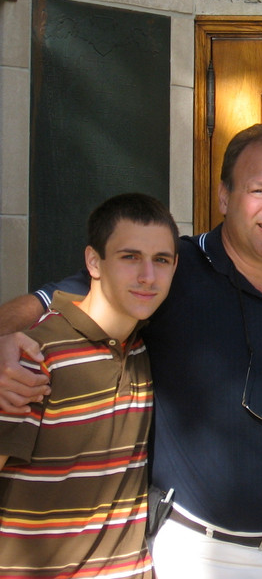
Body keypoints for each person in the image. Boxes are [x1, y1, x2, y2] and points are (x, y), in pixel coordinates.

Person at [0, 124, 262, 579]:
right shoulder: (165, 269)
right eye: (259, 190)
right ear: (224, 197)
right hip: (201, 553)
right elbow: (47, 302)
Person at [0, 193, 179, 578]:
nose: (148, 275)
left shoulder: (145, 349)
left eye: (161, 260)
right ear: (93, 262)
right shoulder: (31, 357)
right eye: (130, 257)